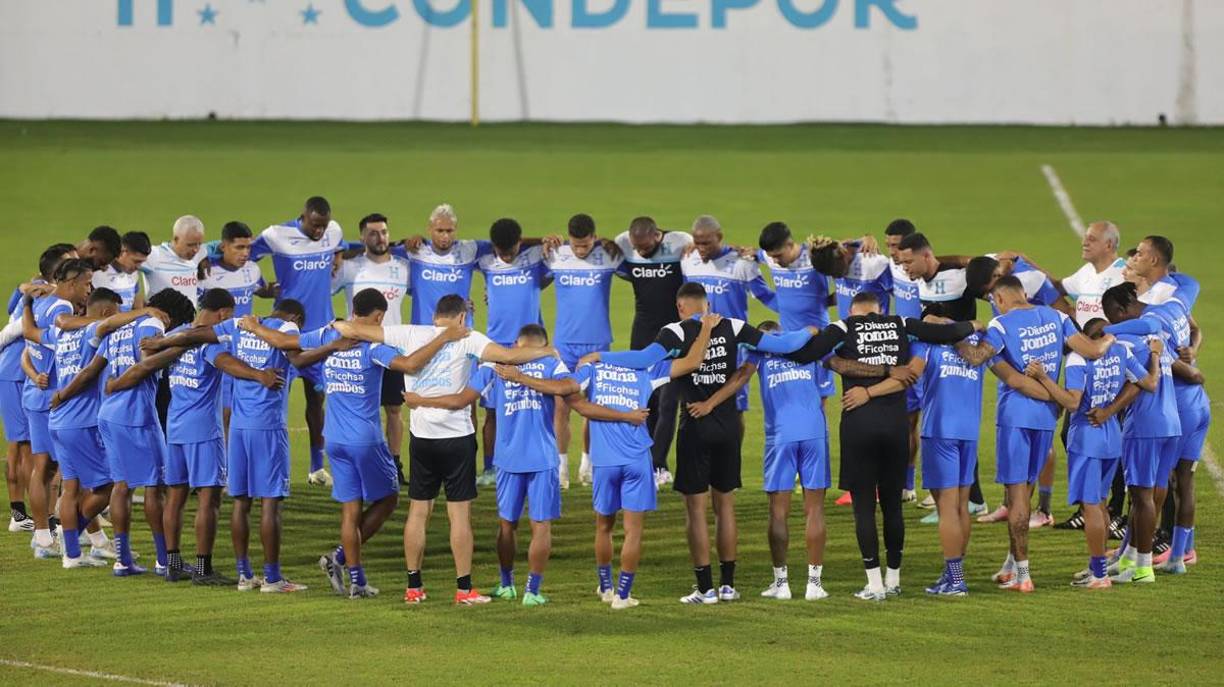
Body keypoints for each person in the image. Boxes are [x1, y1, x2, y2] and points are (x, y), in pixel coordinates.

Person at [587, 283, 818, 604]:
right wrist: (809, 331)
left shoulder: (675, 332)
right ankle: (728, 585)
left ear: (680, 307)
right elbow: (782, 343)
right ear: (707, 304)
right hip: (728, 427)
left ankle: (705, 589)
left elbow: (642, 358)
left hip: (694, 425)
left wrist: (601, 356)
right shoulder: (734, 326)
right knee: (725, 507)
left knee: (696, 510)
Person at [331, 294, 558, 605]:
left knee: (419, 511)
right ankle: (464, 589)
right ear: (461, 318)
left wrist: (337, 324)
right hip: (457, 437)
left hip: (421, 437)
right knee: (459, 515)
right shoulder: (470, 338)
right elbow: (509, 355)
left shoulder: (408, 333)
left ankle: (414, 588)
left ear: (435, 315)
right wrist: (547, 350)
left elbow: (354, 330)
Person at [240, 290, 437, 599]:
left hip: (335, 439)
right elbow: (410, 365)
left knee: (350, 511)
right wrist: (443, 339)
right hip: (366, 440)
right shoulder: (372, 346)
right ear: (378, 317)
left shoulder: (328, 334)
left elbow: (286, 343)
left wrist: (254, 327)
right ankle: (340, 559)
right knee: (388, 500)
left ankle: (356, 580)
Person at [786, 291, 977, 601]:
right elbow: (949, 333)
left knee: (863, 507)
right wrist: (974, 323)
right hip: (896, 427)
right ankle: (894, 579)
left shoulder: (844, 327)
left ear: (853, 311)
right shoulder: (901, 324)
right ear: (880, 310)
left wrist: (831, 358)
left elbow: (803, 354)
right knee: (892, 505)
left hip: (858, 425)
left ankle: (873, 584)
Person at [144, 298, 341, 592]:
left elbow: (192, 338)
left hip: (229, 427)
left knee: (238, 501)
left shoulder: (236, 327)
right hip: (264, 426)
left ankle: (243, 574)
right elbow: (297, 359)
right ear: (296, 319)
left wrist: (159, 343)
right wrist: (330, 348)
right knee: (268, 503)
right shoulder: (285, 328)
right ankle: (271, 578)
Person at [105, 288, 279, 585]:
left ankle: (172, 563)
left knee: (175, 496)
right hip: (204, 430)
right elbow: (226, 363)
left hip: (174, 426)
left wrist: (116, 383)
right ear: (224, 313)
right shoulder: (205, 339)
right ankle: (202, 568)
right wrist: (257, 375)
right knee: (209, 499)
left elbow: (148, 364)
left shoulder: (178, 335)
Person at [954, 276, 1115, 592]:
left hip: (1015, 417)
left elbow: (983, 363)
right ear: (1023, 293)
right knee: (1024, 492)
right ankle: (1011, 564)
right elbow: (1094, 350)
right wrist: (1112, 337)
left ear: (999, 299)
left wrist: (953, 335)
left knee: (1015, 496)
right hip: (1047, 419)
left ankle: (1023, 575)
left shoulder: (1000, 326)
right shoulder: (1057, 317)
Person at [403, 324, 575, 607]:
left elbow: (461, 400)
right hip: (541, 458)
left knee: (508, 526)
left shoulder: (498, 366)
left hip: (508, 459)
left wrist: (421, 400)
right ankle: (529, 590)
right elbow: (569, 386)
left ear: (518, 344)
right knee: (539, 525)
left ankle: (509, 584)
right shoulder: (549, 363)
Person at [568, 315, 718, 610]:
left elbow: (567, 391)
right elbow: (692, 362)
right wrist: (706, 329)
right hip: (637, 460)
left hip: (605, 462)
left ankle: (606, 587)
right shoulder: (647, 371)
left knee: (604, 527)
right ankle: (623, 596)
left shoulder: (593, 370)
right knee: (633, 531)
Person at [689, 320, 832, 602]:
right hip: (815, 431)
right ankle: (814, 585)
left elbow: (741, 377)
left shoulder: (759, 349)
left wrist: (710, 403)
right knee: (814, 510)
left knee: (778, 512)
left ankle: (782, 584)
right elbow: (825, 392)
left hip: (780, 435)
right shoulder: (806, 345)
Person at [1026, 318, 1158, 589]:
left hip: (1087, 435)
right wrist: (1155, 356)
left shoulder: (1077, 359)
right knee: (1099, 502)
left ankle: (1099, 575)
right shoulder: (1121, 350)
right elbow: (1146, 383)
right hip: (1111, 433)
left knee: (1091, 505)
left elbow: (1073, 402)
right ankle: (1095, 568)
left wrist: (1042, 378)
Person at [37, 288, 143, 568]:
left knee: (71, 487)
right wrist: (145, 311)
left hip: (58, 421)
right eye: (118, 313)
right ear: (108, 312)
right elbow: (106, 327)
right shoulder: (93, 331)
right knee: (113, 483)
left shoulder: (62, 333)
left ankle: (72, 554)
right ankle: (76, 531)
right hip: (82, 421)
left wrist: (27, 304)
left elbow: (31, 334)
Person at [246, 196, 347, 487]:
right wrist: (262, 288)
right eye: (315, 225)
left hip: (319, 335)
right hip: (285, 333)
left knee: (318, 403)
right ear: (303, 216)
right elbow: (243, 254)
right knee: (275, 403)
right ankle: (269, 467)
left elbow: (341, 246)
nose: (319, 232)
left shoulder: (334, 231)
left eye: (323, 226)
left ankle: (317, 468)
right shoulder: (277, 235)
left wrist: (338, 256)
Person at [94, 288, 195, 576]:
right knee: (156, 486)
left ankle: (122, 560)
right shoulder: (153, 324)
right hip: (135, 414)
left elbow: (96, 366)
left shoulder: (121, 327)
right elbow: (145, 365)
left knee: (122, 485)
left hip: (109, 413)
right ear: (171, 316)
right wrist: (180, 346)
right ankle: (165, 561)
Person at [1096, 282, 1188, 583]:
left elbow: (1139, 384)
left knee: (1142, 496)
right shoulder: (1156, 337)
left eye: (1112, 316)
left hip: (1145, 426)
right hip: (1171, 423)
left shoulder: (1122, 343)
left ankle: (1143, 567)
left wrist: (1104, 335)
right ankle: (1132, 557)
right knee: (1150, 494)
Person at [22, 257, 95, 558]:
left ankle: (43, 536)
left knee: (45, 468)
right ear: (71, 282)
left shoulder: (40, 302)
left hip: (36, 396)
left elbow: (29, 340)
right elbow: (63, 341)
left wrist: (26, 300)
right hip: (56, 398)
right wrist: (105, 322)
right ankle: (78, 537)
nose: (90, 289)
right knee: (73, 470)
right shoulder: (61, 308)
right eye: (87, 283)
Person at [331, 213, 411, 485]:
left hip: (391, 349)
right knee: (362, 411)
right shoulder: (349, 268)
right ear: (362, 237)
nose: (380, 238)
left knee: (394, 410)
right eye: (374, 233)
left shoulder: (402, 267)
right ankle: (365, 464)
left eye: (384, 232)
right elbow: (322, 289)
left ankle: (395, 464)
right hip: (358, 350)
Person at [909, 321, 987, 596]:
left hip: (939, 432)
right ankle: (951, 574)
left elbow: (911, 374)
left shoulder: (926, 345)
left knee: (947, 508)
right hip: (969, 432)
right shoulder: (976, 344)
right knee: (962, 507)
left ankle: (956, 579)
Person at [545, 214, 624, 489]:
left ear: (595, 237)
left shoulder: (609, 255)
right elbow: (530, 277)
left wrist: (615, 244)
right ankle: (561, 466)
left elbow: (641, 270)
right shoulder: (556, 254)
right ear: (570, 239)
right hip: (564, 345)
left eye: (585, 245)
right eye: (576, 246)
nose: (580, 251)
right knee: (561, 406)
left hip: (599, 346)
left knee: (595, 408)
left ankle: (587, 466)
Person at [613, 216, 693, 486]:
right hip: (643, 332)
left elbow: (704, 255)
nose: (641, 252)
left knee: (669, 401)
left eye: (645, 247)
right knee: (645, 400)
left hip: (675, 334)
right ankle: (642, 459)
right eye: (637, 247)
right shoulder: (624, 243)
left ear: (657, 236)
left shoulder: (680, 242)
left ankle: (659, 464)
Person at [2, 244, 75, 534]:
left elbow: (11, 307)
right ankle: (22, 515)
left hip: (24, 370)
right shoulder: (46, 296)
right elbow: (16, 327)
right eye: (71, 263)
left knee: (28, 446)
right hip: (17, 372)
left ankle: (32, 515)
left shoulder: (37, 290)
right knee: (24, 446)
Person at [681, 215, 777, 433]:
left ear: (720, 237)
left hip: (733, 346)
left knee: (734, 408)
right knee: (696, 404)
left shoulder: (742, 264)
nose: (701, 248)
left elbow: (767, 297)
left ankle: (731, 458)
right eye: (697, 242)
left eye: (707, 242)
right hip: (700, 345)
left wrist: (796, 312)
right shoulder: (688, 261)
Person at [475, 218, 553, 488]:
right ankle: (489, 468)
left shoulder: (534, 256)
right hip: (495, 347)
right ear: (494, 245)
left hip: (532, 347)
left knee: (536, 407)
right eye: (501, 251)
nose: (506, 256)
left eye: (510, 250)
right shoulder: (485, 259)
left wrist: (541, 240)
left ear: (520, 243)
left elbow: (555, 249)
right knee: (493, 412)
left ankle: (538, 461)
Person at [198, 221, 278, 439]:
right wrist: (205, 253)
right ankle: (227, 467)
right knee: (224, 412)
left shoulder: (252, 270)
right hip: (218, 350)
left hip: (245, 351)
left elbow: (262, 290)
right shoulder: (206, 270)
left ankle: (236, 463)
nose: (245, 254)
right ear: (223, 246)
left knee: (242, 410)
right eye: (239, 248)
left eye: (248, 248)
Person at [756, 222, 835, 403]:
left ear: (790, 245)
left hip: (819, 341)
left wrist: (865, 239)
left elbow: (845, 273)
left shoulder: (817, 257)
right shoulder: (771, 257)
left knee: (819, 402)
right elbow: (755, 254)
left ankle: (821, 432)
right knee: (796, 400)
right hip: (790, 341)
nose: (774, 261)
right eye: (771, 257)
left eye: (778, 255)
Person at [883, 220, 924, 504]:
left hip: (925, 355)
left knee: (924, 422)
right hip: (901, 351)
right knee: (901, 422)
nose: (893, 252)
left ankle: (914, 484)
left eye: (897, 246)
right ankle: (901, 482)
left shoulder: (925, 270)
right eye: (889, 246)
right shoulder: (892, 266)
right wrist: (865, 241)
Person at [809, 235, 891, 319]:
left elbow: (900, 293)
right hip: (847, 330)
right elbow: (845, 294)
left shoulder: (874, 263)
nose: (835, 277)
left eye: (836, 272)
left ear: (843, 255)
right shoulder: (832, 257)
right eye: (831, 275)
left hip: (873, 329)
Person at [141, 216, 206, 302]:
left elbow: (221, 245)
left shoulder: (200, 252)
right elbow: (126, 257)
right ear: (176, 239)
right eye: (190, 245)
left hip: (189, 315)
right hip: (158, 315)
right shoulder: (154, 255)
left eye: (199, 244)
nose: (196, 249)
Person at [92, 231, 150, 311]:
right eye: (136, 261)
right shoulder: (97, 273)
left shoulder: (133, 274)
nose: (138, 267)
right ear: (123, 252)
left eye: (141, 262)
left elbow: (137, 306)